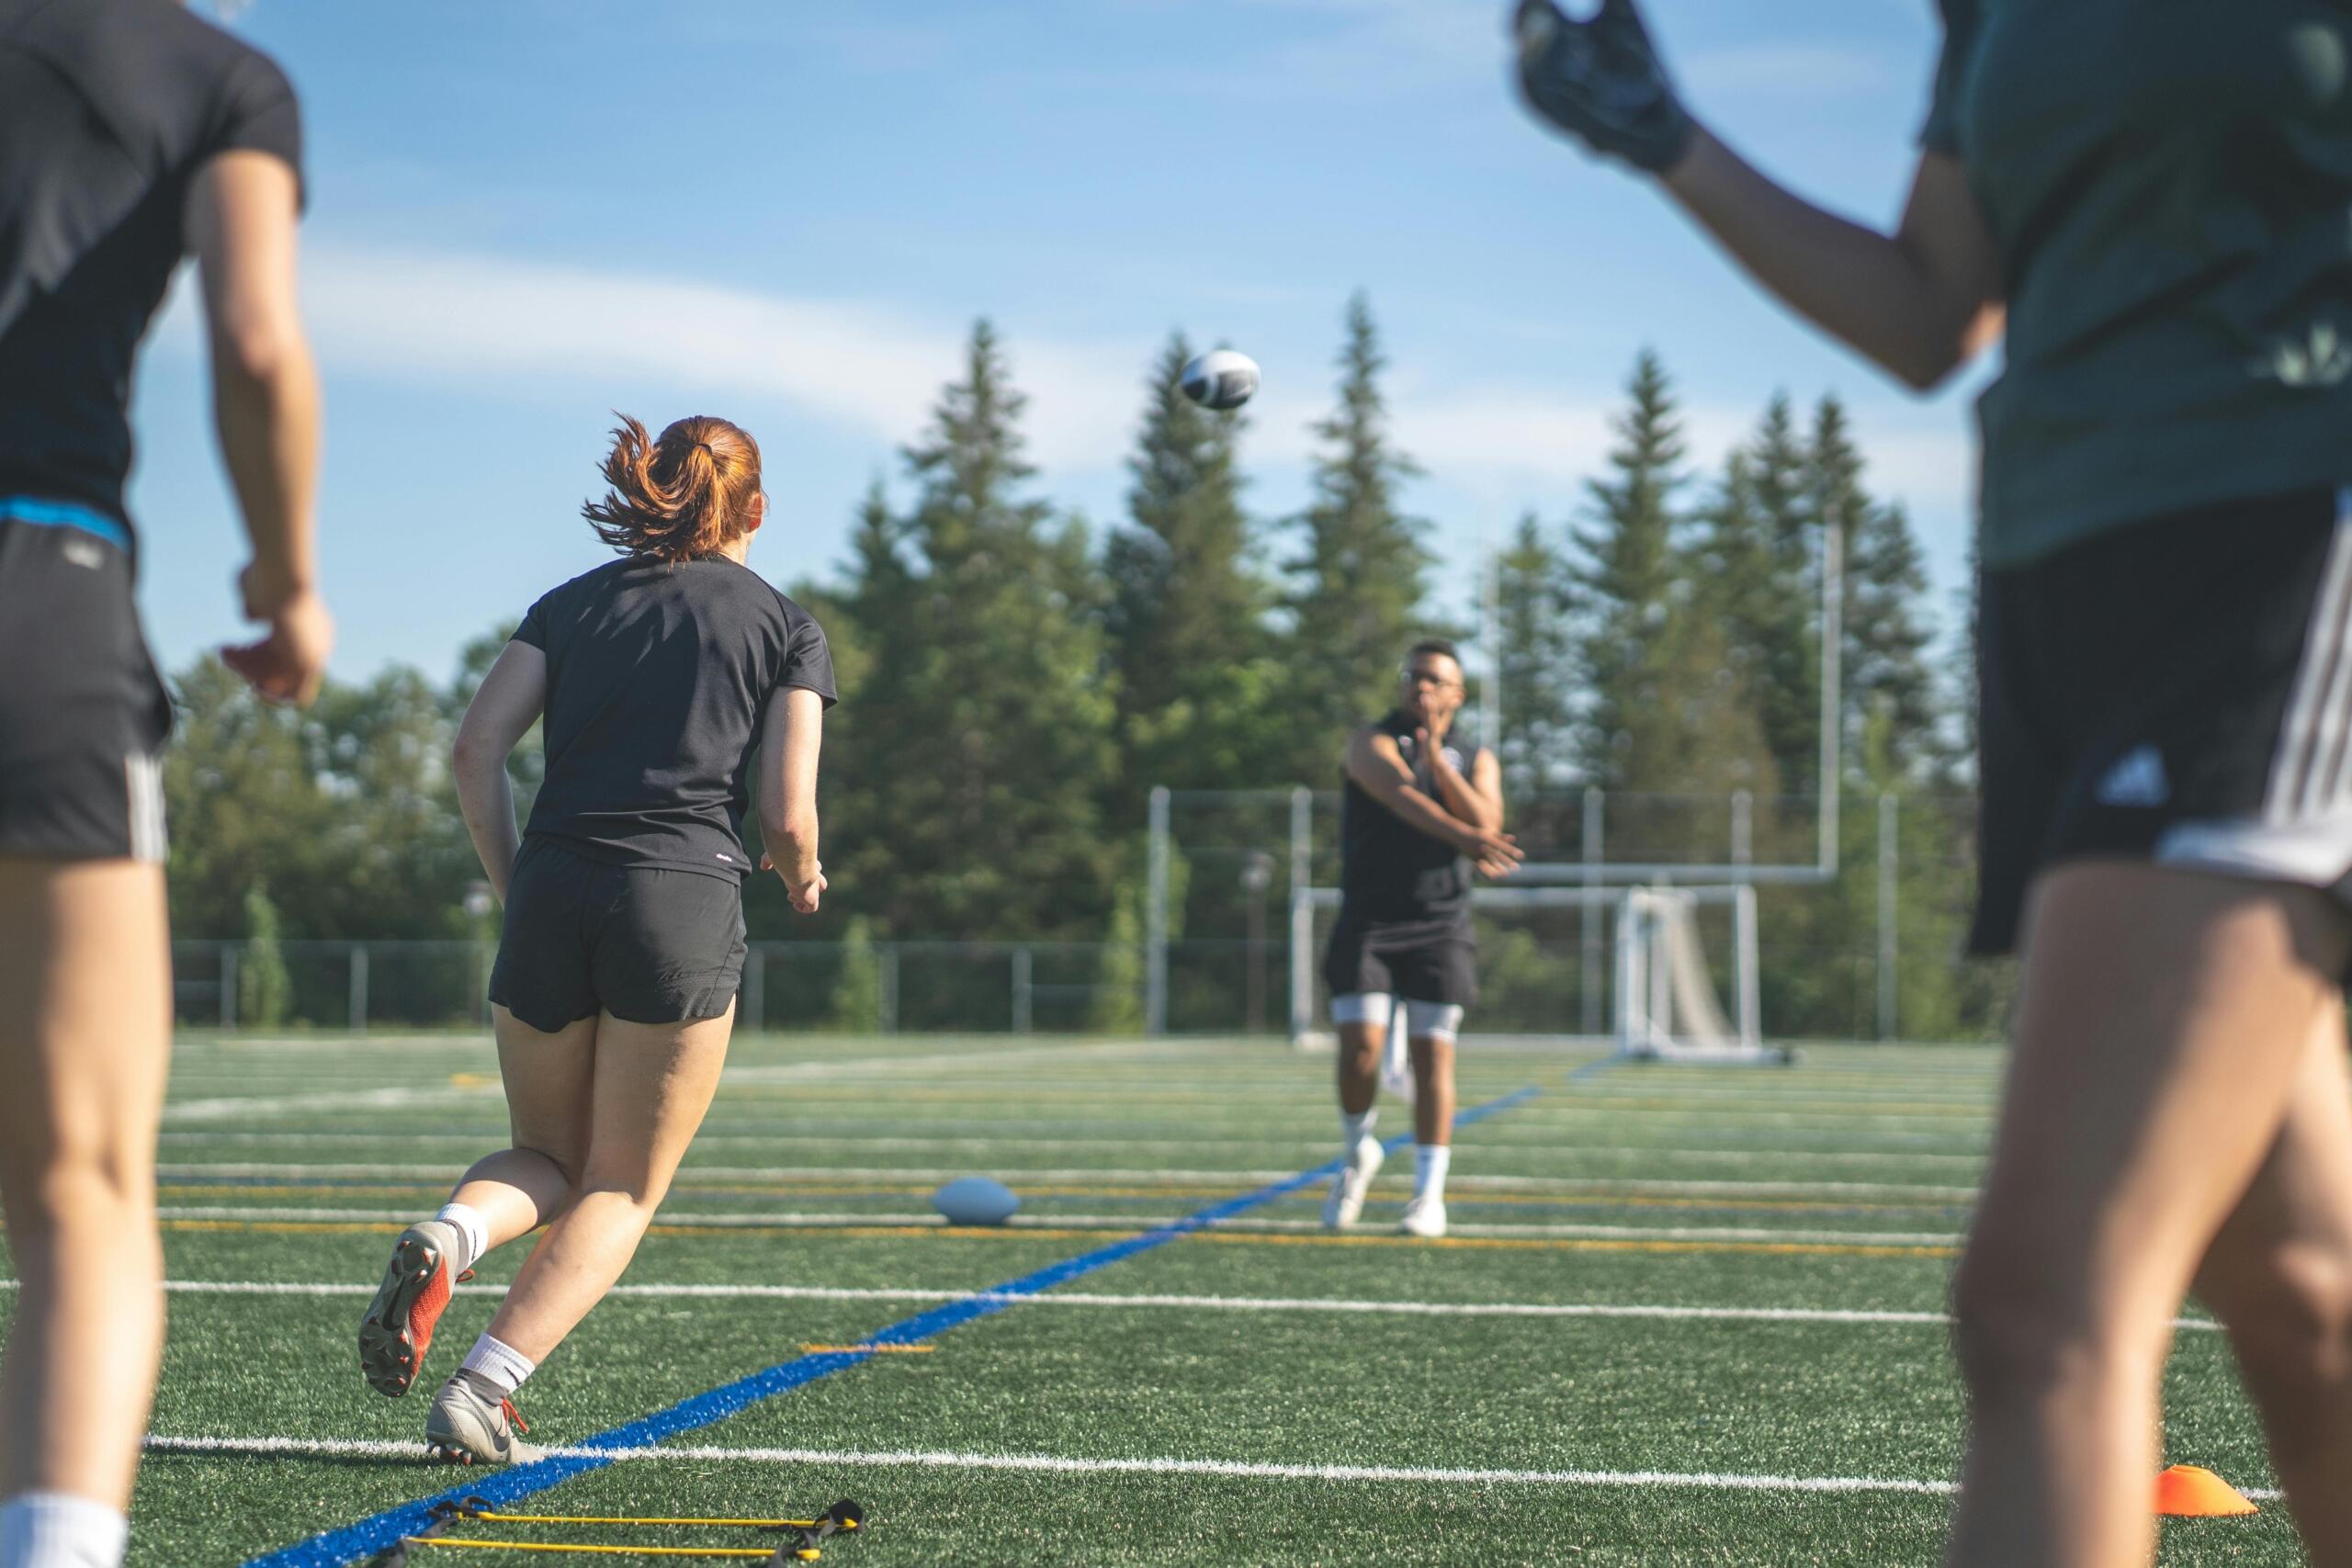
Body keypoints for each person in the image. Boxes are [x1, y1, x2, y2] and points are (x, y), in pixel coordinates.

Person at [1512, 2, 2352, 1562]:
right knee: (2305, 1300)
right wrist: (1664, 142)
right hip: (2062, 589)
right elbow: (1929, 313)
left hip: (2283, 556)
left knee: (2045, 1303)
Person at [0, 1, 325, 1562]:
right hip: (38, 579)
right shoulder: (218, 78)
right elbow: (258, 345)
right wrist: (286, 577)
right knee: (83, 1179)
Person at [356, 414, 833, 1464]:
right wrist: (802, 877)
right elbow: (787, 814)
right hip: (681, 899)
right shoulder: (786, 625)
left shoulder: (569, 604)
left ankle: (454, 1234)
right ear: (754, 510)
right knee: (620, 1181)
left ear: (651, 493)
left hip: (553, 888)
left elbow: (477, 747)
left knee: (544, 1155)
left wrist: (517, 881)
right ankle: (484, 1389)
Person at [1321, 639, 1520, 1240]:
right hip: (1371, 920)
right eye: (1414, 677)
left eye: (1436, 680)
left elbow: (1488, 821)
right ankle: (1360, 1150)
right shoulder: (1371, 741)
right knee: (1360, 1049)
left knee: (1434, 1053)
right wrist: (1466, 835)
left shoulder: (1475, 754)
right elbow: (1401, 798)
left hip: (1442, 922)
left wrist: (1438, 757)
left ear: (1459, 693)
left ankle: (1428, 1195)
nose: (1422, 688)